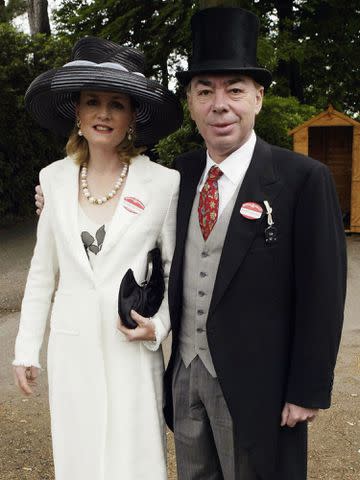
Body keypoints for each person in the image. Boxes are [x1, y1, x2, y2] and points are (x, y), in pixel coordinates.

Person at [162, 7, 347, 480]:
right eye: (205, 91)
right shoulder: (175, 176)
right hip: (186, 374)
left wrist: (307, 387)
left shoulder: (302, 179)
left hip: (260, 383)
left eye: (235, 90)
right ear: (190, 101)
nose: (219, 105)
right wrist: (58, 198)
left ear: (259, 98)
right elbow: (115, 202)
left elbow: (322, 293)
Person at [13, 36, 182, 480]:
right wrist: (26, 347)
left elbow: (173, 272)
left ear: (133, 116)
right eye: (93, 101)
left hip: (131, 347)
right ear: (77, 112)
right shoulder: (51, 178)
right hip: (72, 350)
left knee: (136, 459)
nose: (103, 113)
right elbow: (40, 274)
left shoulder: (163, 184)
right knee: (79, 457)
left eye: (116, 104)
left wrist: (158, 326)